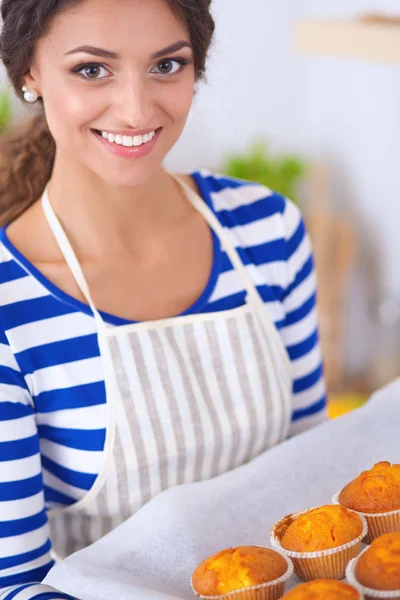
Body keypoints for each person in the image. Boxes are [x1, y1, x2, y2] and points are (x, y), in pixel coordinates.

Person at [0, 0, 327, 597]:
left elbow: (311, 474)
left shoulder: (266, 230)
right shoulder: (9, 307)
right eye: (92, 70)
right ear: (28, 73)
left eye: (166, 66)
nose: (135, 108)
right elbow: (15, 584)